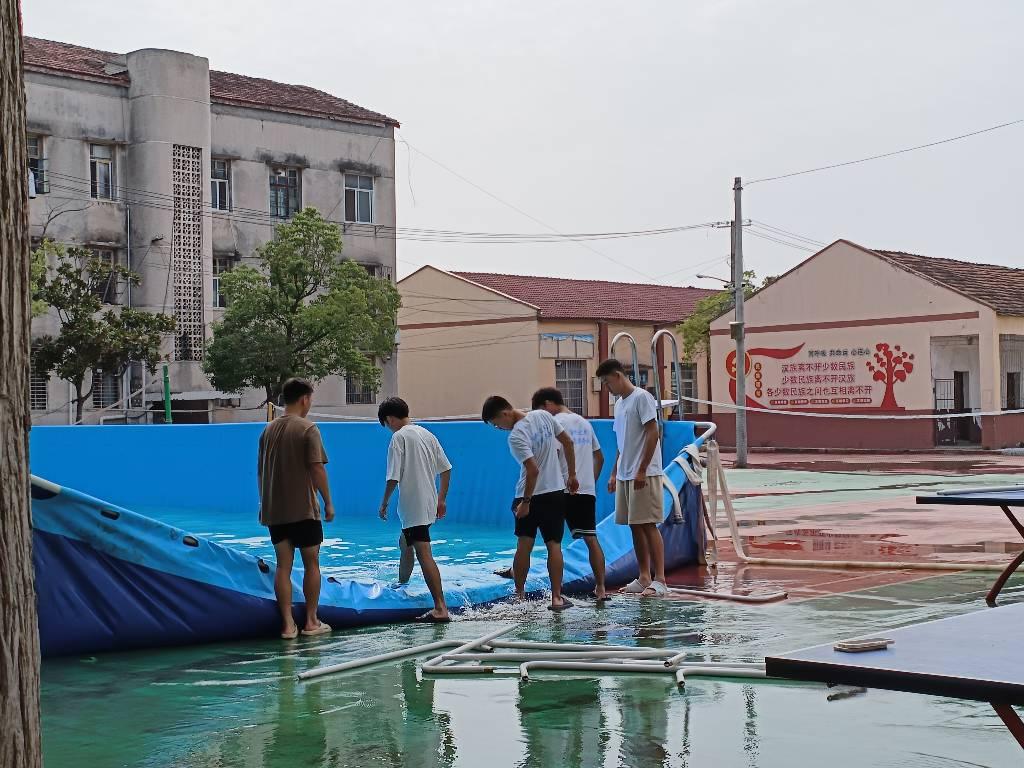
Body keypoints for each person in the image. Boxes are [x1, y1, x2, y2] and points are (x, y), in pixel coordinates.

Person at [481, 395, 579, 611]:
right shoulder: (544, 416)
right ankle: (556, 598)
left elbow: (533, 470)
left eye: (498, 424)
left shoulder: (516, 436)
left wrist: (526, 502)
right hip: (554, 492)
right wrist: (571, 474)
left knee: (524, 545)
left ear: (505, 413)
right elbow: (568, 442)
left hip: (529, 494)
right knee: (554, 545)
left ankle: (519, 595)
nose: (500, 428)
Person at [257, 377, 334, 639]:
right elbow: (316, 467)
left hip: (274, 511)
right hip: (303, 509)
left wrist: (263, 504)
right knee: (312, 563)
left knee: (283, 566)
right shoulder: (308, 428)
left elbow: (260, 473)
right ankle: (311, 621)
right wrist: (328, 502)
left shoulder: (267, 430)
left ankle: (288, 625)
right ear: (304, 399)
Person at [595, 359, 668, 597]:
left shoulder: (641, 398)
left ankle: (661, 580)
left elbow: (653, 432)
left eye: (607, 382)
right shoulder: (620, 405)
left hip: (644, 473)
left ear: (618, 375)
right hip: (626, 473)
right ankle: (644, 576)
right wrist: (615, 472)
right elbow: (621, 442)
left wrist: (642, 469)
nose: (607, 387)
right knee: (634, 525)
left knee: (648, 524)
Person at [377, 396, 453, 622]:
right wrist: (441, 499)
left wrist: (384, 502)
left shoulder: (398, 438)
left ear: (389, 419)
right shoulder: (426, 434)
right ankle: (402, 583)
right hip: (427, 502)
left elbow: (392, 477)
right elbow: (446, 469)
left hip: (414, 506)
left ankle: (441, 607)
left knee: (423, 552)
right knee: (405, 542)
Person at [531, 387, 610, 603]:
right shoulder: (584, 423)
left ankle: (556, 594)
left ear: (548, 405)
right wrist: (589, 482)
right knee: (591, 539)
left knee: (551, 542)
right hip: (584, 490)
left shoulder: (557, 424)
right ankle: (601, 589)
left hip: (560, 489)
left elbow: (552, 455)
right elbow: (600, 457)